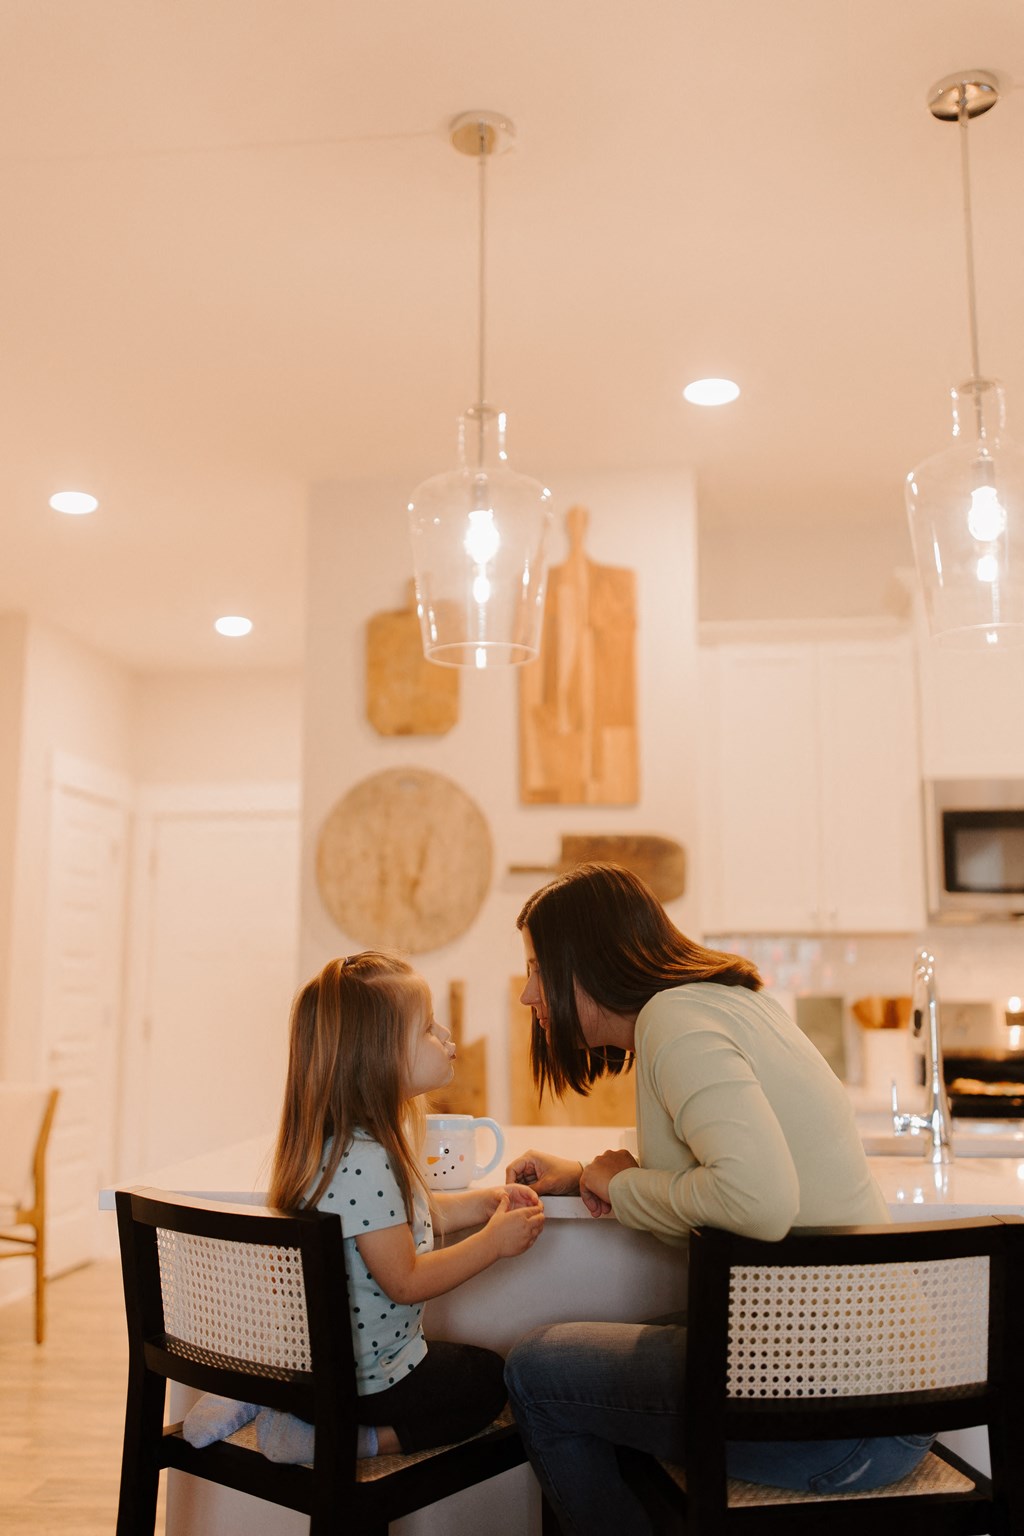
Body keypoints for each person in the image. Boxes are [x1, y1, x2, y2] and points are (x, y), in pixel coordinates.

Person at [503, 863, 933, 1535]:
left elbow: (756, 1200)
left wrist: (618, 1184)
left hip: (844, 1427)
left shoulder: (675, 1023)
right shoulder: (720, 1001)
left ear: (584, 961)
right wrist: (595, 1172)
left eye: (536, 967)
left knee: (536, 1372)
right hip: (875, 1397)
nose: (528, 993)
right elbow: (720, 1165)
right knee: (621, 1348)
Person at [184, 950, 544, 1464]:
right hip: (366, 1381)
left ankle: (263, 1392)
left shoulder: (338, 1148)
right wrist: (493, 1245)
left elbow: (399, 1223)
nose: (446, 1036)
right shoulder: (368, 1161)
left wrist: (484, 1205)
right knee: (491, 1382)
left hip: (320, 1365)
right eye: (426, 1028)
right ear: (376, 1056)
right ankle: (337, 1438)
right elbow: (406, 1280)